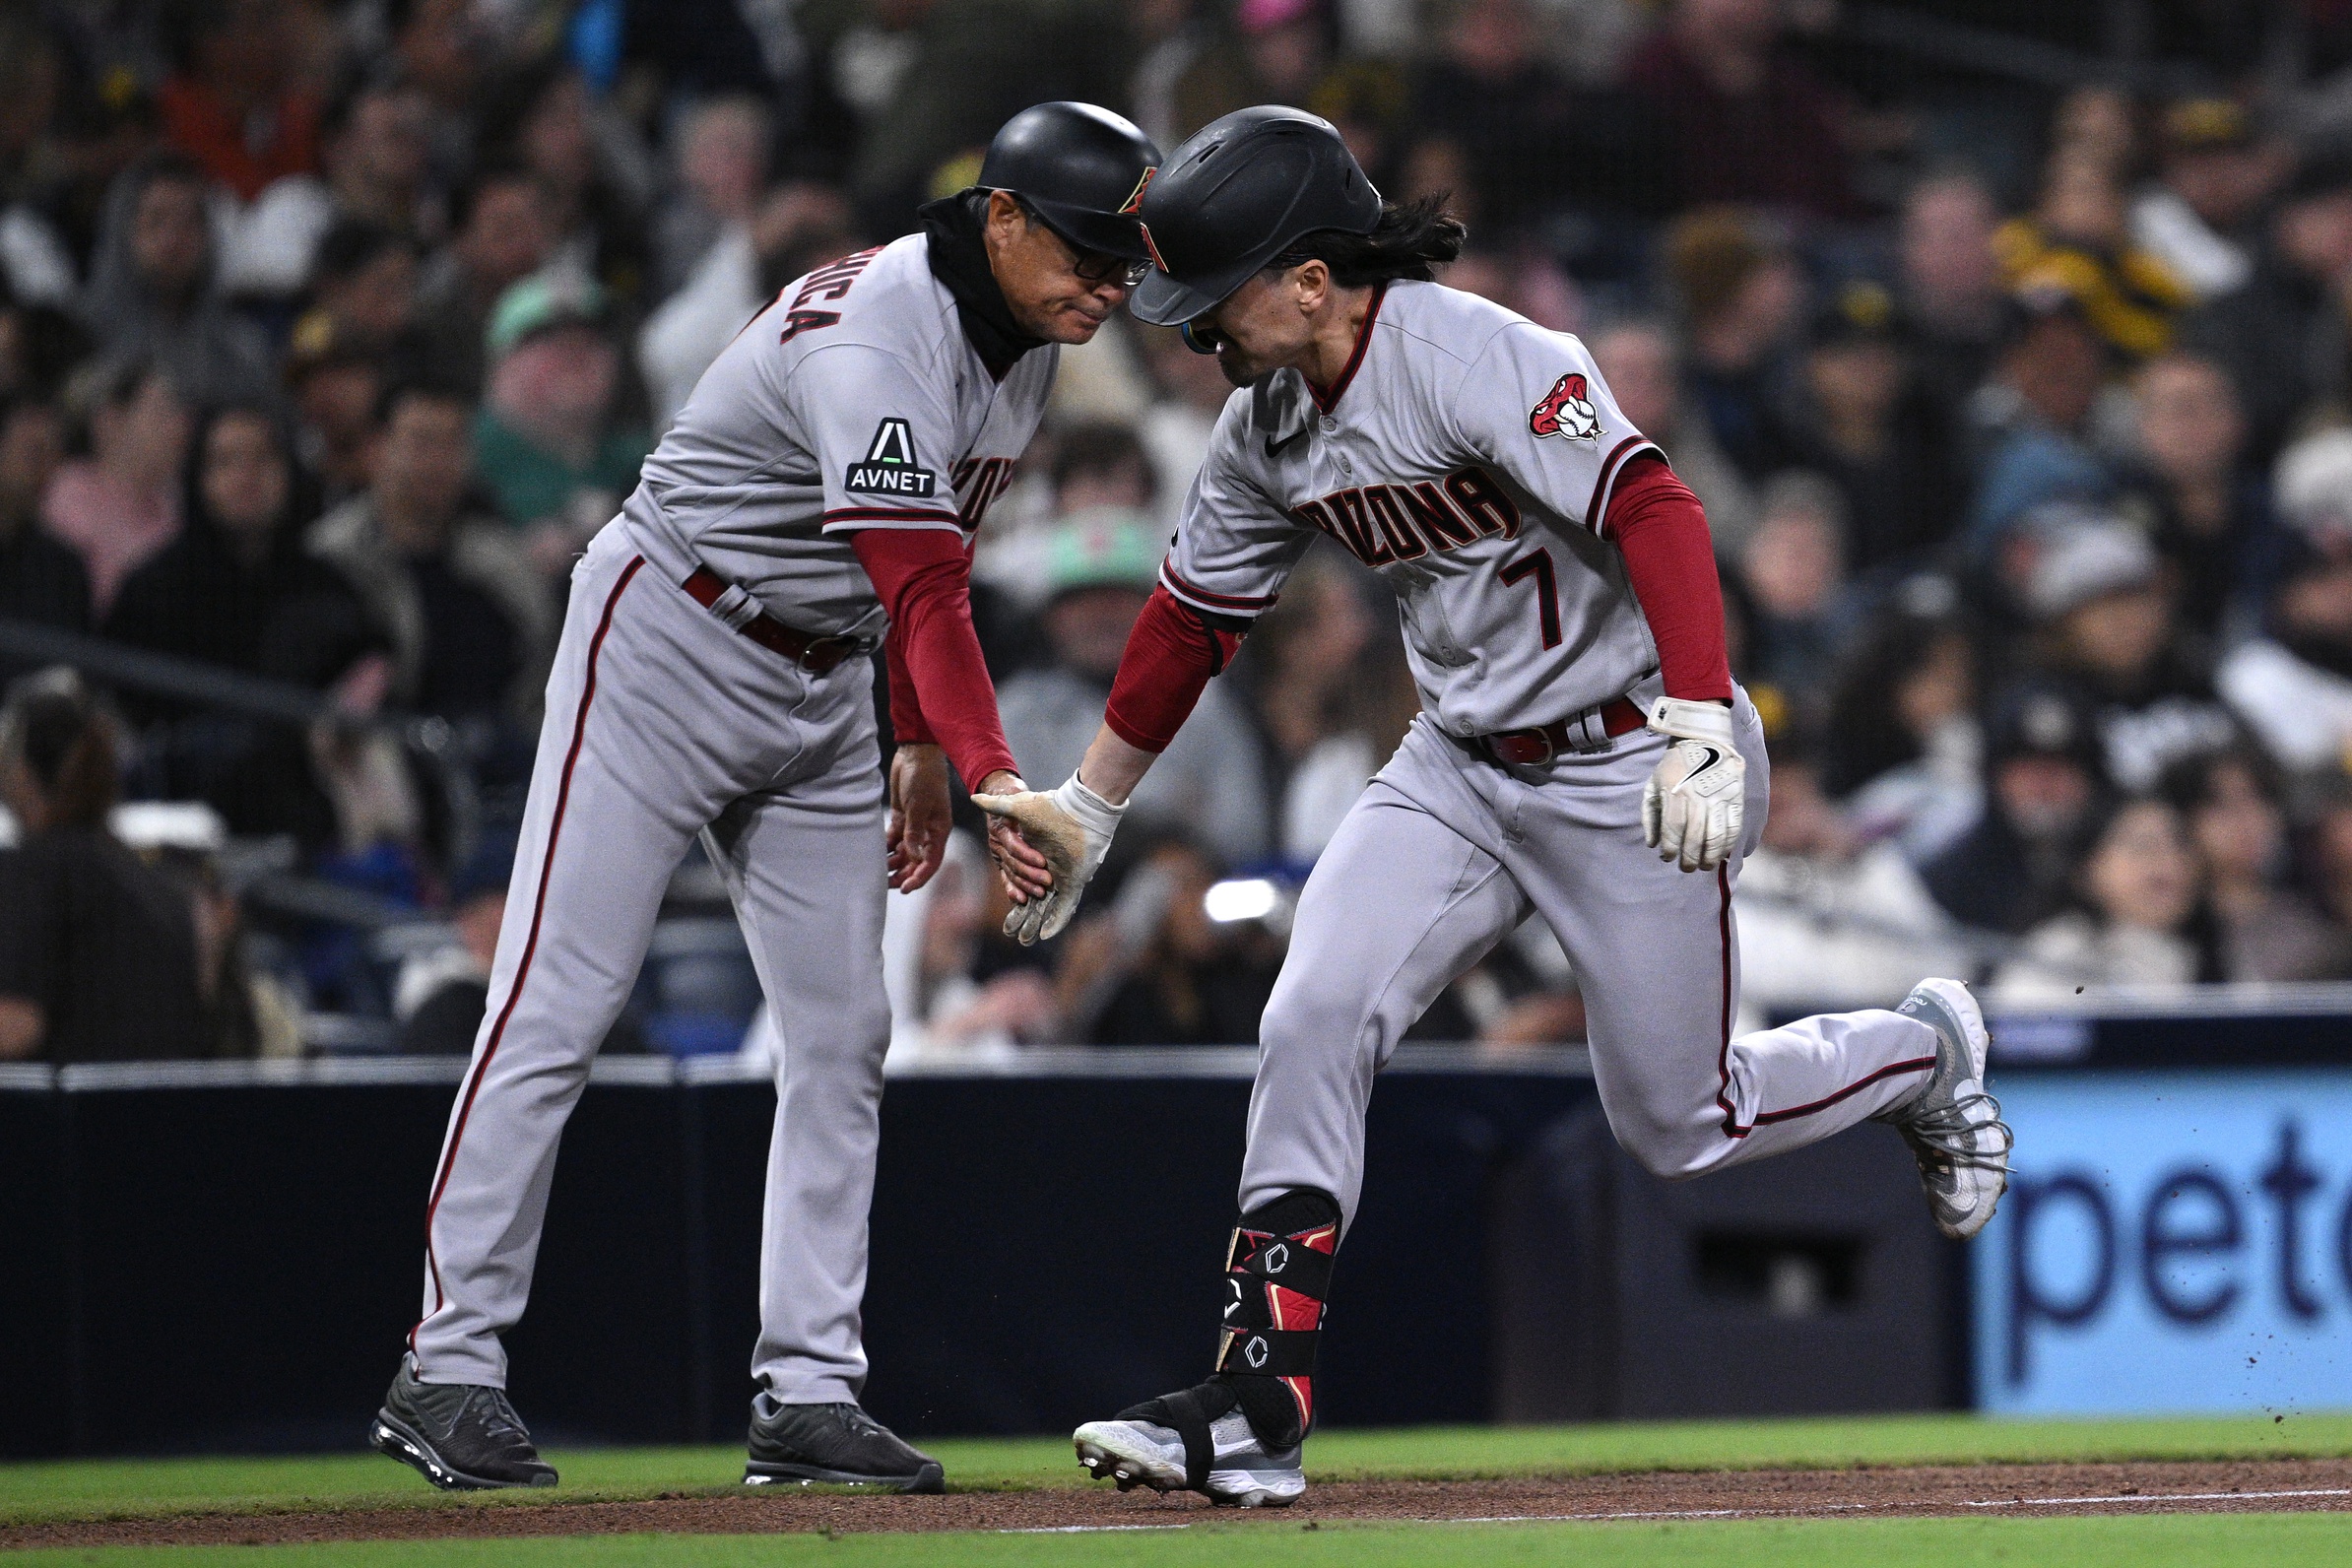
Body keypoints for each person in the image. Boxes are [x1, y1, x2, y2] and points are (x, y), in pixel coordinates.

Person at [975, 107, 2010, 1509]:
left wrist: (1705, 715)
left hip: (1630, 749)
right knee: (1312, 1013)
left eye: (1214, 302)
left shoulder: (1474, 353)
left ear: (1309, 279)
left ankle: (1920, 1055)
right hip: (1459, 761)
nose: (1193, 333)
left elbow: (1656, 508)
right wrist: (1093, 804)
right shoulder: (1267, 427)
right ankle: (1255, 1399)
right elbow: (1190, 616)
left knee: (1679, 1122)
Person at [367, 102, 1160, 1497]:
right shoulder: (880, 334)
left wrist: (917, 742)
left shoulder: (1024, 344)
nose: (1110, 284)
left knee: (847, 1032)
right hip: (669, 635)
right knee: (556, 1005)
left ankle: (806, 1390)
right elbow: (922, 579)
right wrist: (990, 776)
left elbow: (929, 564)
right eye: (1091, 251)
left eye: (1125, 261)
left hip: (823, 677)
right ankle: (448, 1368)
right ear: (1003, 220)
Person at [307, 381, 553, 728]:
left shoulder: (502, 560)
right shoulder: (331, 557)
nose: (439, 462)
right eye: (422, 442)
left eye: (452, 443)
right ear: (377, 449)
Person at [0, 669, 208, 1064]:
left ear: (21, 777)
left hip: (72, 1122)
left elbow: (14, 1025)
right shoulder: (162, 884)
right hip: (163, 1119)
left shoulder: (33, 871)